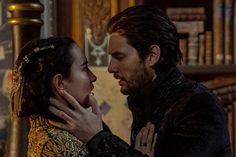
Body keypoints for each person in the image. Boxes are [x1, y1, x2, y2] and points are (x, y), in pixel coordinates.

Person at [49, 5, 231, 157]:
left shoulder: (200, 106)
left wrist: (98, 137)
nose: (110, 68)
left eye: (119, 56)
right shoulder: (144, 100)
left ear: (152, 56)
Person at [11, 37, 98, 157]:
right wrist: (99, 138)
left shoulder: (75, 130)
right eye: (84, 68)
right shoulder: (56, 146)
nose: (93, 77)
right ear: (59, 83)